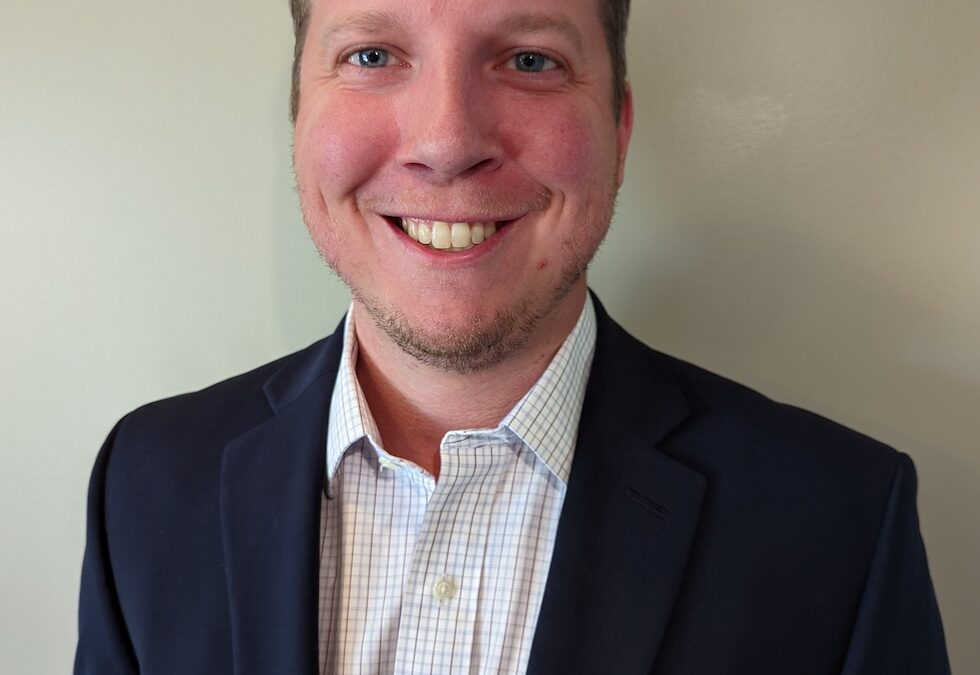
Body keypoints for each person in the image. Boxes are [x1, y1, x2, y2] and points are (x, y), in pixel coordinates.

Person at [74, 0, 950, 673]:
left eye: (531, 59)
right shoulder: (144, 486)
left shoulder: (840, 525)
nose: (446, 142)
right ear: (299, 116)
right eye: (372, 55)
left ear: (619, 126)